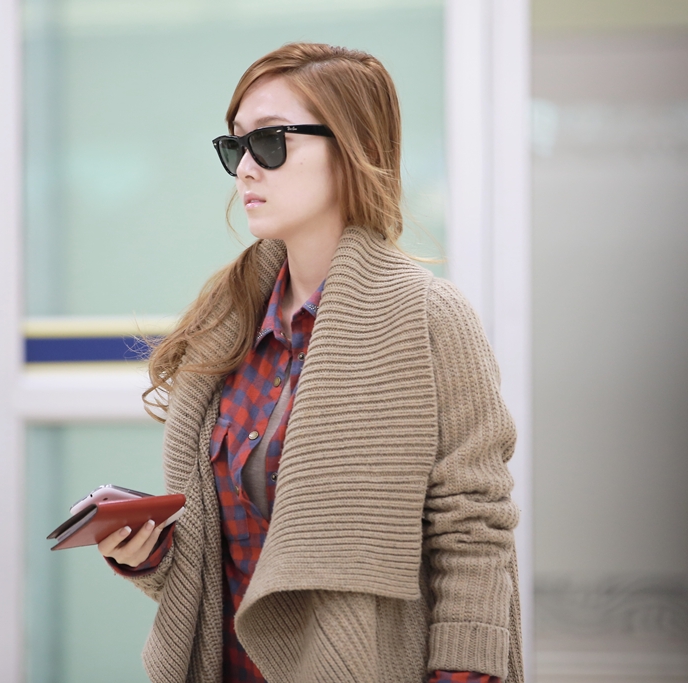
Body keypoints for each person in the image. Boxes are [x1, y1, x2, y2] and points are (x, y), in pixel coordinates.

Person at [97, 42, 523, 683]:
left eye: (270, 141)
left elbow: (473, 532)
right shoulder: (228, 319)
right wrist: (147, 555)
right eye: (235, 146)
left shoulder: (427, 315)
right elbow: (227, 557)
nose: (246, 169)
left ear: (354, 148)